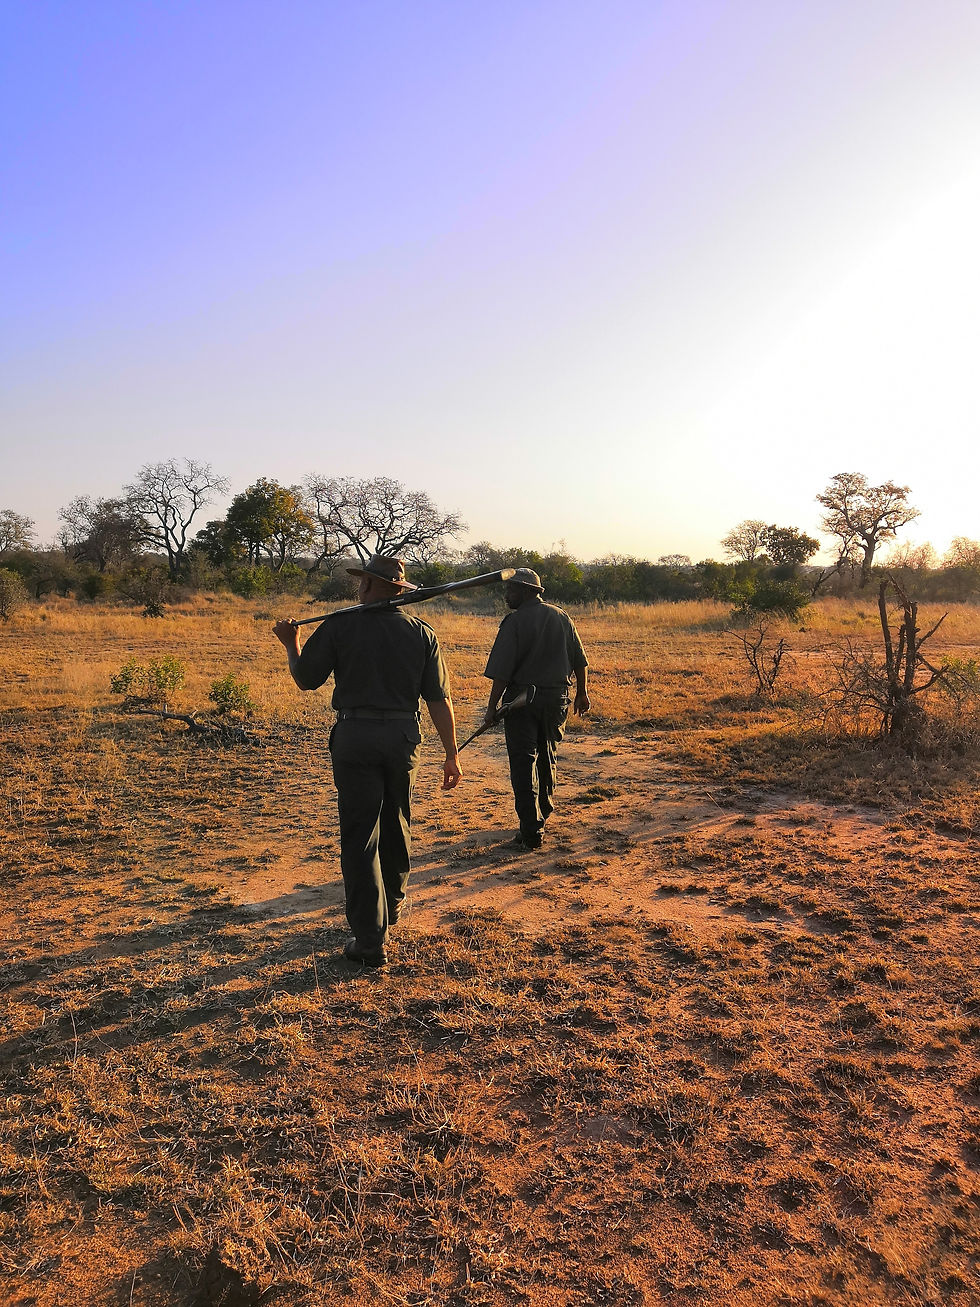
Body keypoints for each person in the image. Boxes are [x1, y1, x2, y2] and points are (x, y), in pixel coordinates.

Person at [273, 555, 462, 967]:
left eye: (361, 583)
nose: (357, 590)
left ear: (371, 586)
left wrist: (292, 645)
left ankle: (369, 937)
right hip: (402, 737)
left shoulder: (340, 624)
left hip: (355, 736)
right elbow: (438, 699)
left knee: (360, 835)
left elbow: (306, 679)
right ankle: (391, 908)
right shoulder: (421, 633)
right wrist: (451, 752)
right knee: (397, 820)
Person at [483, 568, 589, 850]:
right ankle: (543, 812)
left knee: (522, 762)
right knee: (547, 756)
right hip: (557, 700)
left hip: (521, 701)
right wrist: (582, 693)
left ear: (529, 591)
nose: (507, 595)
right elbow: (580, 659)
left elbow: (502, 672)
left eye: (512, 590)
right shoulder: (562, 616)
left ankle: (531, 828)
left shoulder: (514, 622)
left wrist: (492, 708)